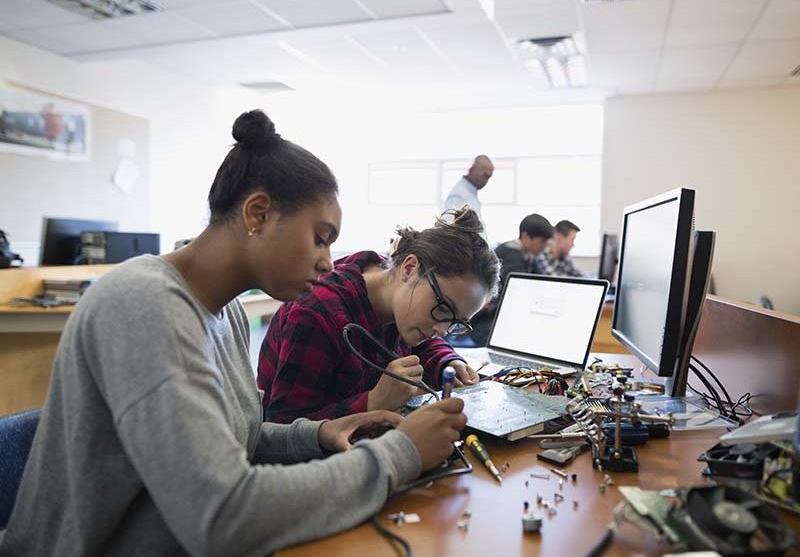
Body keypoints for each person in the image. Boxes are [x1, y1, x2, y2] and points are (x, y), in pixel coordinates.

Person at [0, 110, 468, 557]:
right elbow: (221, 515)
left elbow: (231, 443)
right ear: (257, 213)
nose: (329, 261)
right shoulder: (141, 305)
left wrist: (318, 434)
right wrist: (399, 453)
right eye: (320, 237)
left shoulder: (228, 313)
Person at [257, 206, 500, 424]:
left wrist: (448, 361)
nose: (442, 329)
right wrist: (372, 402)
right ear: (410, 268)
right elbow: (281, 429)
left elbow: (426, 344)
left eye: (456, 323)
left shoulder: (399, 295)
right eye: (445, 308)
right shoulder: (317, 315)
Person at [462, 213, 553, 347]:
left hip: (498, 316)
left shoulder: (528, 254)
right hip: (485, 321)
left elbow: (542, 283)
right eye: (542, 241)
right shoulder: (511, 255)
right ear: (526, 236)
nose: (544, 246)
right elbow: (523, 291)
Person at [443, 155, 493, 240]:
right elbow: (447, 227)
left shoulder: (470, 193)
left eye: (489, 177)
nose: (486, 181)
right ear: (472, 169)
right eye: (485, 175)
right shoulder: (459, 194)